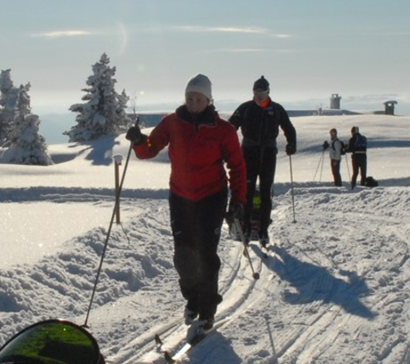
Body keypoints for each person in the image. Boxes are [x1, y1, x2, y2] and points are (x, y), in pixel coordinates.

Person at [126, 75, 247, 330]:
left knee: (205, 254)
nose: (193, 102)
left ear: (208, 100)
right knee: (183, 256)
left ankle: (206, 311)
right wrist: (139, 141)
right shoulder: (172, 122)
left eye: (199, 98)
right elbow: (150, 148)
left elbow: (237, 167)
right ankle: (192, 300)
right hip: (180, 197)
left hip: (211, 197)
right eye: (189, 98)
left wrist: (238, 201)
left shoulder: (223, 130)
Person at [226, 76, 296, 243]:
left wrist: (291, 144)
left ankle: (263, 229)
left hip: (268, 154)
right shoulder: (245, 108)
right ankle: (246, 228)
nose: (258, 95)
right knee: (247, 193)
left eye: (261, 91)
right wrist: (225, 146)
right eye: (256, 91)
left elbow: (288, 127)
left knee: (266, 193)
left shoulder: (276, 109)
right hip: (248, 153)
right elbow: (229, 128)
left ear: (267, 92)